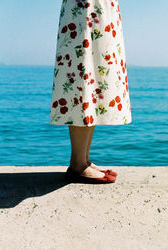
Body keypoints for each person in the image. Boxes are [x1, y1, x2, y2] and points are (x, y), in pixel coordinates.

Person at [49, 0, 132, 183]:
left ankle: (82, 160)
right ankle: (78, 165)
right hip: (85, 6)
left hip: (97, 6)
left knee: (92, 79)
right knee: (83, 75)